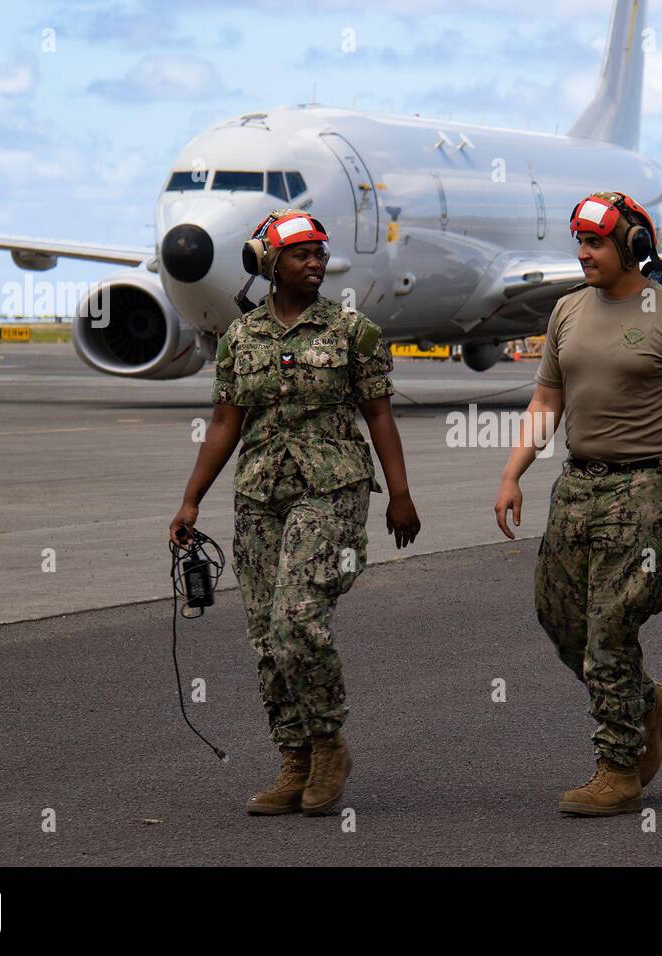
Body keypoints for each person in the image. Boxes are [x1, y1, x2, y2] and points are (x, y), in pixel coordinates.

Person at [169, 208, 421, 817]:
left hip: (332, 488)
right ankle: (294, 759)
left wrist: (402, 492)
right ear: (268, 263)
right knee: (264, 638)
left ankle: (329, 742)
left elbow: (379, 413)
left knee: (297, 622)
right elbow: (226, 420)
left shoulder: (350, 330)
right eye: (302, 255)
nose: (316, 264)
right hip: (260, 495)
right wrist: (190, 498)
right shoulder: (240, 338)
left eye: (319, 254)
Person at [495, 190, 662, 816]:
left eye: (595, 242)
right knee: (559, 616)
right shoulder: (567, 311)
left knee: (610, 625)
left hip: (647, 488)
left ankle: (618, 767)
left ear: (634, 247)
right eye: (581, 242)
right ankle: (646, 703)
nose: (584, 253)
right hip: (578, 485)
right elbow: (547, 401)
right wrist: (514, 471)